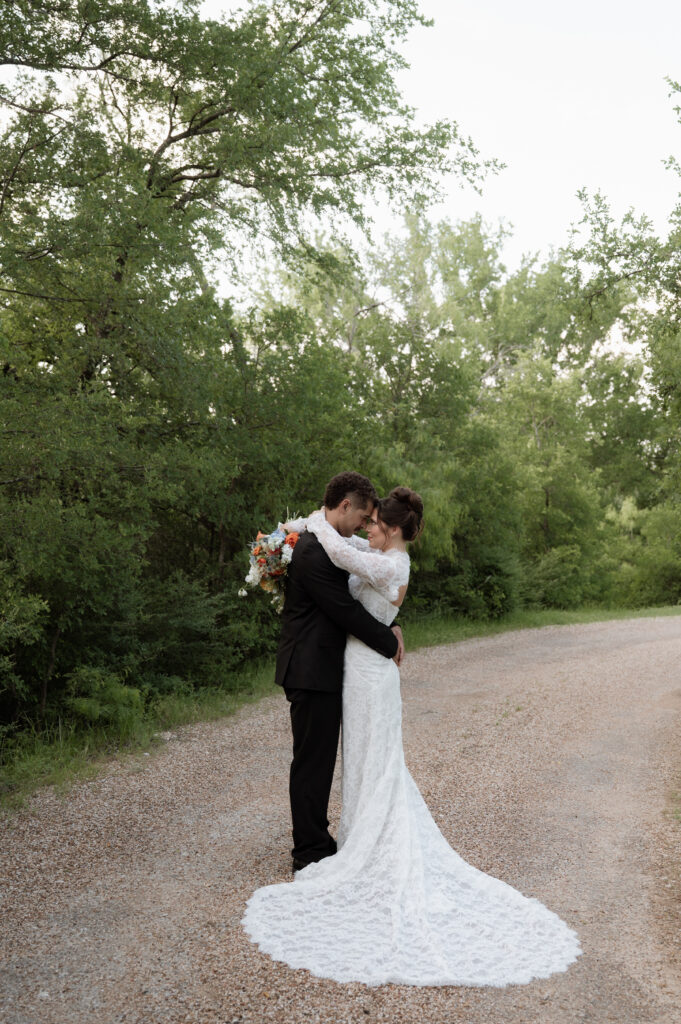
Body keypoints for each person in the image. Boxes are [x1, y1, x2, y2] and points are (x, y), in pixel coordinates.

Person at [242, 485, 582, 987]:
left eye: (375, 522)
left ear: (395, 528)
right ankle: (331, 843)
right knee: (348, 758)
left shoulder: (387, 560)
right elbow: (345, 581)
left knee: (371, 759)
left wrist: (312, 525)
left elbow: (349, 569)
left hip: (365, 671)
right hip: (345, 667)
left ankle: (351, 845)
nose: (368, 527)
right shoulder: (350, 549)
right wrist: (300, 534)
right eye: (365, 518)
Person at [273, 471, 404, 873]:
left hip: (322, 667)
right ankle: (308, 850)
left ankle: (318, 837)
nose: (364, 527)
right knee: (312, 761)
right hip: (310, 669)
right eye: (362, 518)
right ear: (345, 505)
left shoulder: (324, 543)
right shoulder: (312, 551)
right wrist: (389, 643)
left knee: (319, 758)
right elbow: (342, 610)